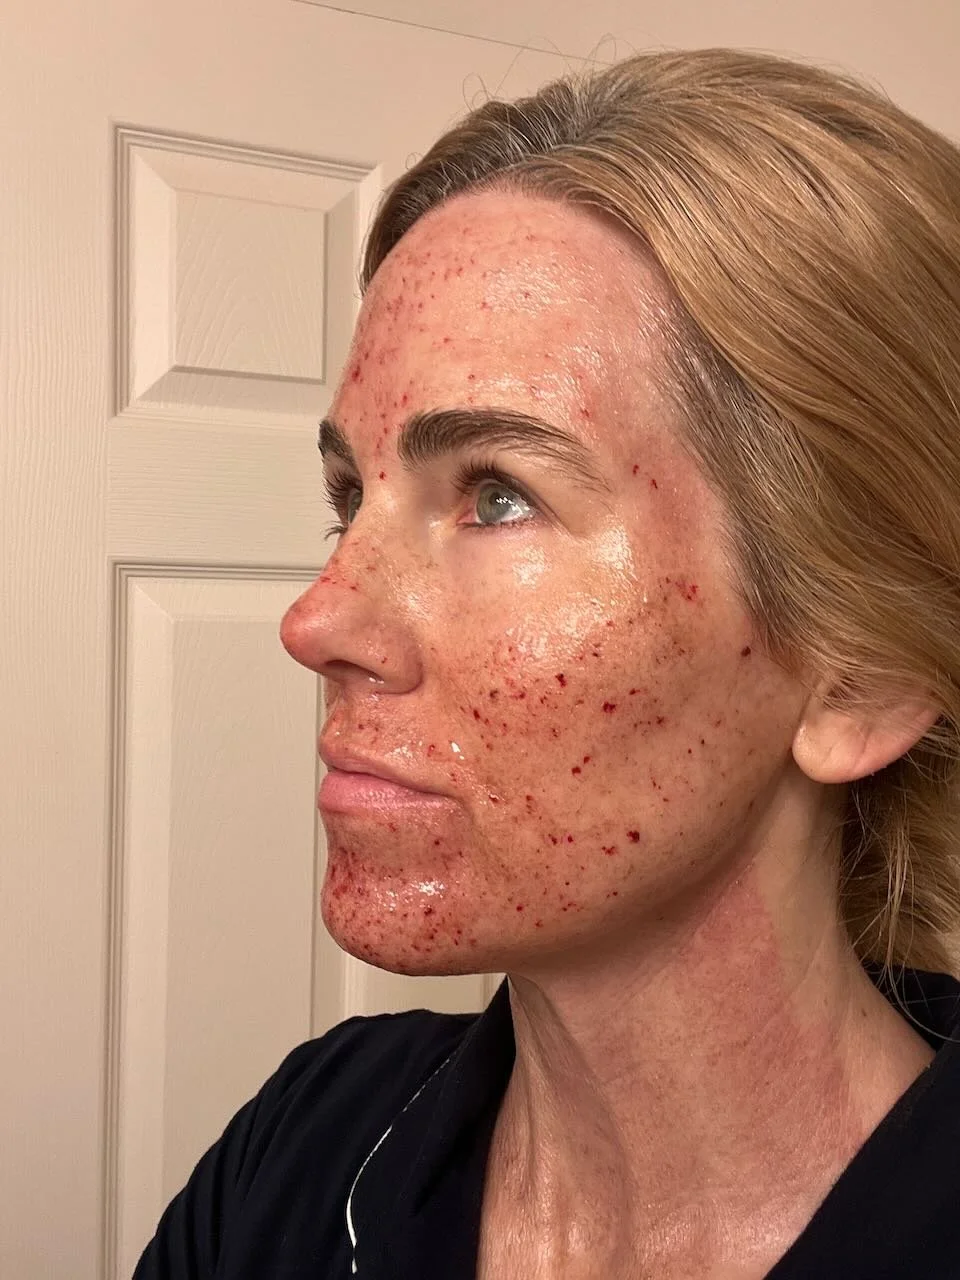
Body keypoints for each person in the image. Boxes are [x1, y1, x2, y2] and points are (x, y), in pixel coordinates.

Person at [134, 48, 960, 1279]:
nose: (318, 619)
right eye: (349, 496)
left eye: (499, 494)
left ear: (861, 677)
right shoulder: (305, 1150)